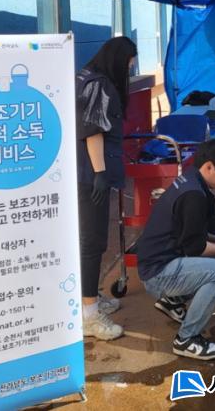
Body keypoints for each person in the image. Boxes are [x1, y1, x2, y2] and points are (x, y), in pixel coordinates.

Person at [136, 139, 215, 360]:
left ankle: (172, 301)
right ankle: (187, 339)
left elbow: (210, 224)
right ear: (209, 166)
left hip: (166, 260)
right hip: (157, 273)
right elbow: (195, 247)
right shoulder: (194, 195)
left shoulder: (194, 180)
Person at [76, 36, 137, 340]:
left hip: (89, 173)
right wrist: (99, 172)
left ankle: (89, 299)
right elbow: (93, 131)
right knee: (92, 242)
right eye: (129, 64)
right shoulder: (97, 84)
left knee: (93, 240)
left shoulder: (87, 78)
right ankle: (88, 316)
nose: (130, 70)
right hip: (90, 176)